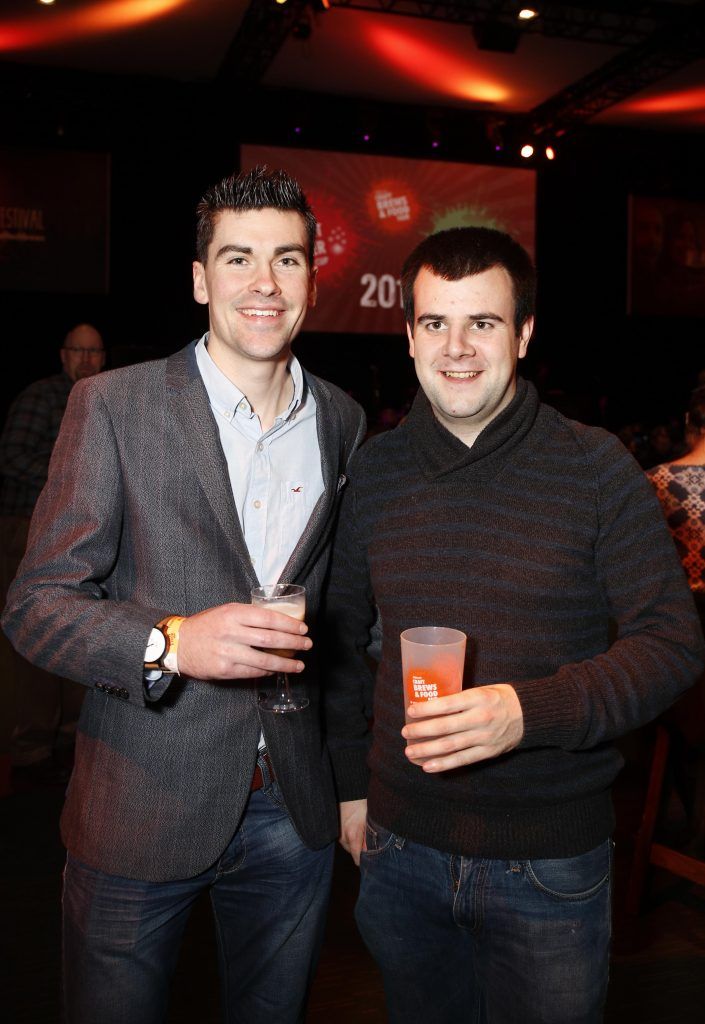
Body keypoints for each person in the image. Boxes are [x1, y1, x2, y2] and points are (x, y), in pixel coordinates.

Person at [2, 166, 366, 1024]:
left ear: (314, 278)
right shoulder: (113, 406)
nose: (263, 284)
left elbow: (349, 618)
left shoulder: (343, 421)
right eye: (238, 259)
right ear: (201, 279)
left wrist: (351, 778)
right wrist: (168, 641)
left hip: (293, 809)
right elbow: (35, 605)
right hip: (142, 799)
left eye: (287, 260)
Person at [322, 226, 705, 1024]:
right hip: (399, 848)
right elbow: (339, 641)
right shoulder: (376, 470)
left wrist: (527, 713)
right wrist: (350, 791)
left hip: (549, 863)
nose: (456, 348)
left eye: (483, 323)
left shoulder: (596, 469)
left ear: (524, 334)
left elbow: (671, 644)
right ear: (408, 335)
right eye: (435, 323)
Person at [0, 323, 105, 786]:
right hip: (26, 525)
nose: (86, 358)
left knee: (78, 626)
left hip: (82, 531)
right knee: (31, 632)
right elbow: (11, 456)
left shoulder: (106, 397)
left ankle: (64, 736)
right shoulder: (41, 397)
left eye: (94, 351)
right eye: (78, 350)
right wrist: (68, 474)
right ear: (62, 355)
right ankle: (28, 744)